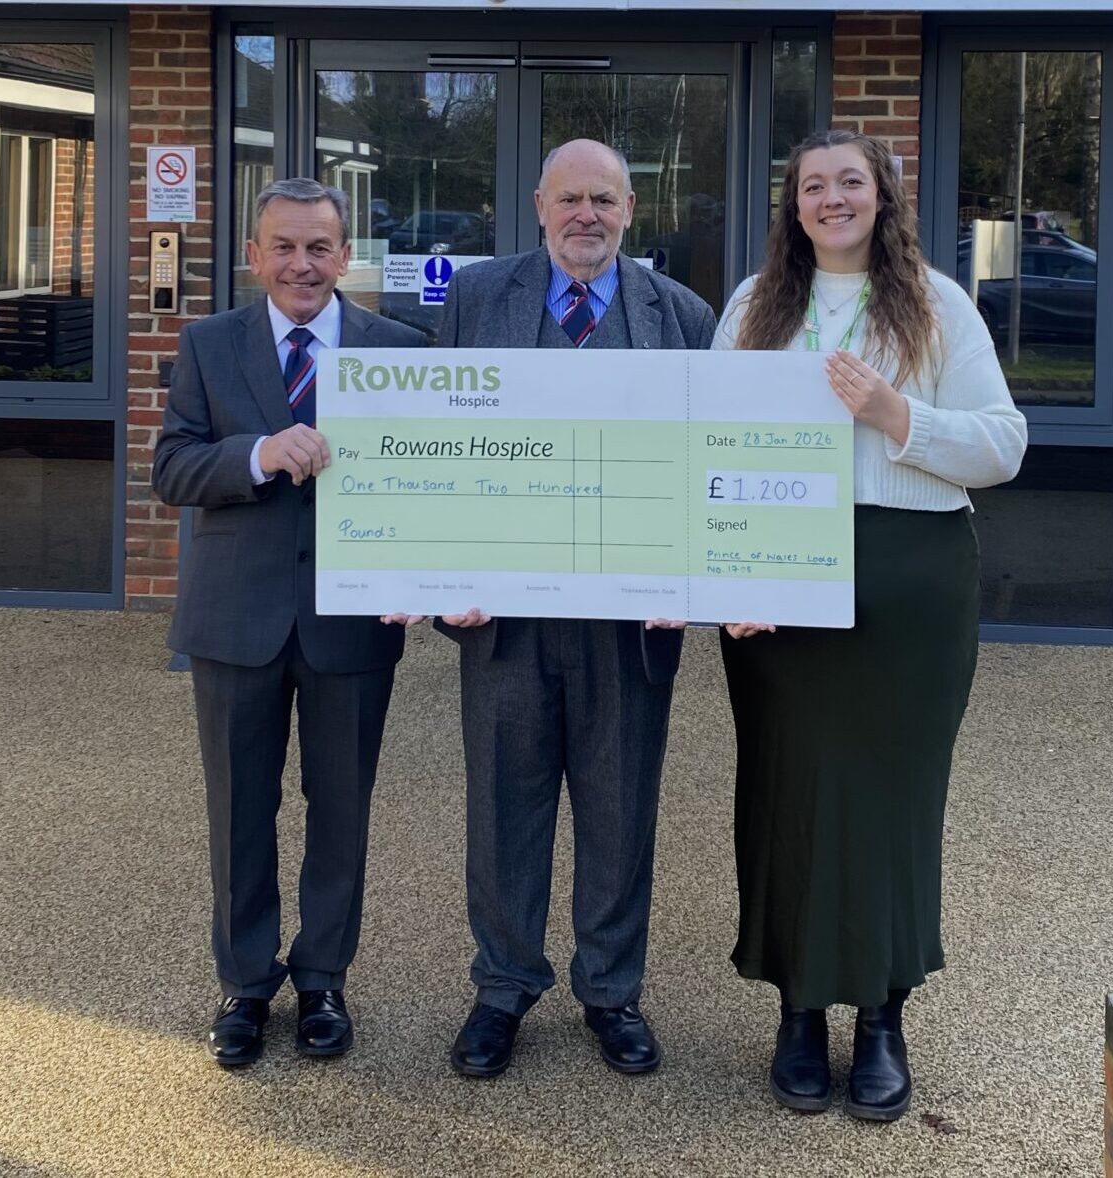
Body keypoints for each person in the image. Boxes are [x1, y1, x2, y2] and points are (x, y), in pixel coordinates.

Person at [712, 130, 1026, 1120]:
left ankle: (883, 1015)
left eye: (851, 181)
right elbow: (708, 445)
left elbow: (1004, 446)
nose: (833, 198)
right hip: (779, 586)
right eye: (814, 185)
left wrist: (898, 415)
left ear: (882, 196)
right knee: (791, 792)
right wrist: (725, 573)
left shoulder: (937, 305)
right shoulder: (753, 307)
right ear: (794, 205)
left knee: (893, 801)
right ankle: (801, 1009)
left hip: (910, 585)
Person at [430, 139, 717, 1079]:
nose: (585, 215)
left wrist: (699, 582)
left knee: (619, 812)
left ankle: (611, 991)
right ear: (539, 206)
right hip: (505, 621)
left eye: (603, 199)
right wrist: (437, 580)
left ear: (630, 209)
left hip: (629, 627)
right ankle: (503, 987)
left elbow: (706, 464)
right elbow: (435, 441)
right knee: (502, 809)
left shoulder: (683, 316)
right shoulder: (478, 298)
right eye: (569, 199)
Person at [152, 177, 426, 1068]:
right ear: (254, 255)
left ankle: (322, 982)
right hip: (236, 619)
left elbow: (433, 481)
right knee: (240, 808)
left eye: (318, 248)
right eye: (284, 247)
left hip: (352, 622)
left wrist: (436, 570)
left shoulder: (399, 351)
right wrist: (259, 454)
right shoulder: (209, 344)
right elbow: (172, 467)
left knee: (341, 809)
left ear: (346, 257)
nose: (301, 265)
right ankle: (244, 984)